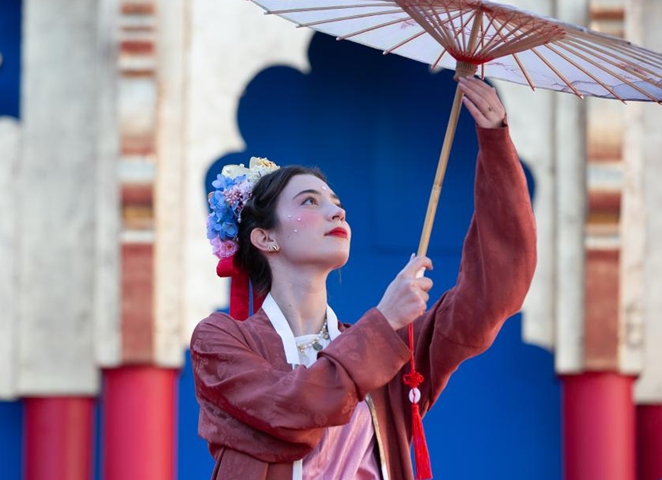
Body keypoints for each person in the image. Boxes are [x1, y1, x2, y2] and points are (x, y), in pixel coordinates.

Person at [191, 77, 537, 480]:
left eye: (338, 205)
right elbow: (291, 410)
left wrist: (495, 144)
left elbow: (493, 294)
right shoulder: (219, 342)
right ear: (265, 237)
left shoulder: (391, 353)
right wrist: (385, 322)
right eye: (310, 202)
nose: (337, 213)